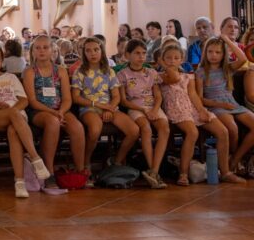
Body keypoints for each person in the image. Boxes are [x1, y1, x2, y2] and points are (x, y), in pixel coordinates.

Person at [159, 42, 244, 185]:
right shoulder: (161, 76)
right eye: (168, 58)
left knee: (223, 131)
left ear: (182, 59)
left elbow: (193, 96)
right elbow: (174, 77)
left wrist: (202, 111)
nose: (172, 61)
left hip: (193, 108)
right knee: (193, 133)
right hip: (177, 109)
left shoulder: (188, 76)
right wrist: (165, 66)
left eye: (176, 58)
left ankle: (225, 172)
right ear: (162, 59)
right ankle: (183, 174)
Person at [0, 44, 50, 198]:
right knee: (13, 116)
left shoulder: (11, 77)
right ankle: (35, 158)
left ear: (2, 61)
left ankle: (19, 182)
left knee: (13, 131)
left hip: (17, 116)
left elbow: (24, 100)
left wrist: (12, 111)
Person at [23, 35, 85, 189]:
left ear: (52, 50)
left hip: (60, 110)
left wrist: (61, 111)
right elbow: (32, 101)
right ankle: (49, 172)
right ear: (33, 51)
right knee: (53, 122)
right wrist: (53, 113)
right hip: (39, 110)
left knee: (77, 127)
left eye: (45, 47)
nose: (42, 51)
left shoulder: (61, 71)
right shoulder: (30, 72)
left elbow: (67, 99)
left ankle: (81, 171)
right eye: (38, 48)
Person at [73, 37, 140, 176]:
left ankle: (117, 161)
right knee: (95, 130)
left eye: (96, 50)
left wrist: (109, 108)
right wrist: (96, 104)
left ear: (101, 51)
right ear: (84, 53)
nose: (93, 53)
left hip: (109, 107)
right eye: (88, 50)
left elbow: (116, 96)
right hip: (89, 108)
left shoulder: (109, 71)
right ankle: (86, 162)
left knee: (134, 131)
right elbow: (76, 97)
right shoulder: (79, 71)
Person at [196, 36, 254, 174]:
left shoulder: (227, 68)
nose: (213, 55)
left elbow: (242, 58)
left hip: (232, 104)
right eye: (210, 51)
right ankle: (229, 158)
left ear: (223, 54)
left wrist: (226, 40)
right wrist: (221, 104)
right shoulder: (201, 72)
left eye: (218, 52)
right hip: (215, 106)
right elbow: (200, 99)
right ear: (205, 53)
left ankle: (235, 159)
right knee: (232, 129)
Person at [117, 39, 170, 189]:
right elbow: (124, 101)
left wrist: (154, 110)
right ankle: (151, 168)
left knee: (164, 128)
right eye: (137, 53)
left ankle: (154, 171)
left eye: (144, 53)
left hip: (152, 106)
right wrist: (143, 110)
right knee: (145, 129)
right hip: (135, 107)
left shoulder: (151, 72)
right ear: (128, 55)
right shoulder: (122, 74)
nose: (141, 56)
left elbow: (158, 96)